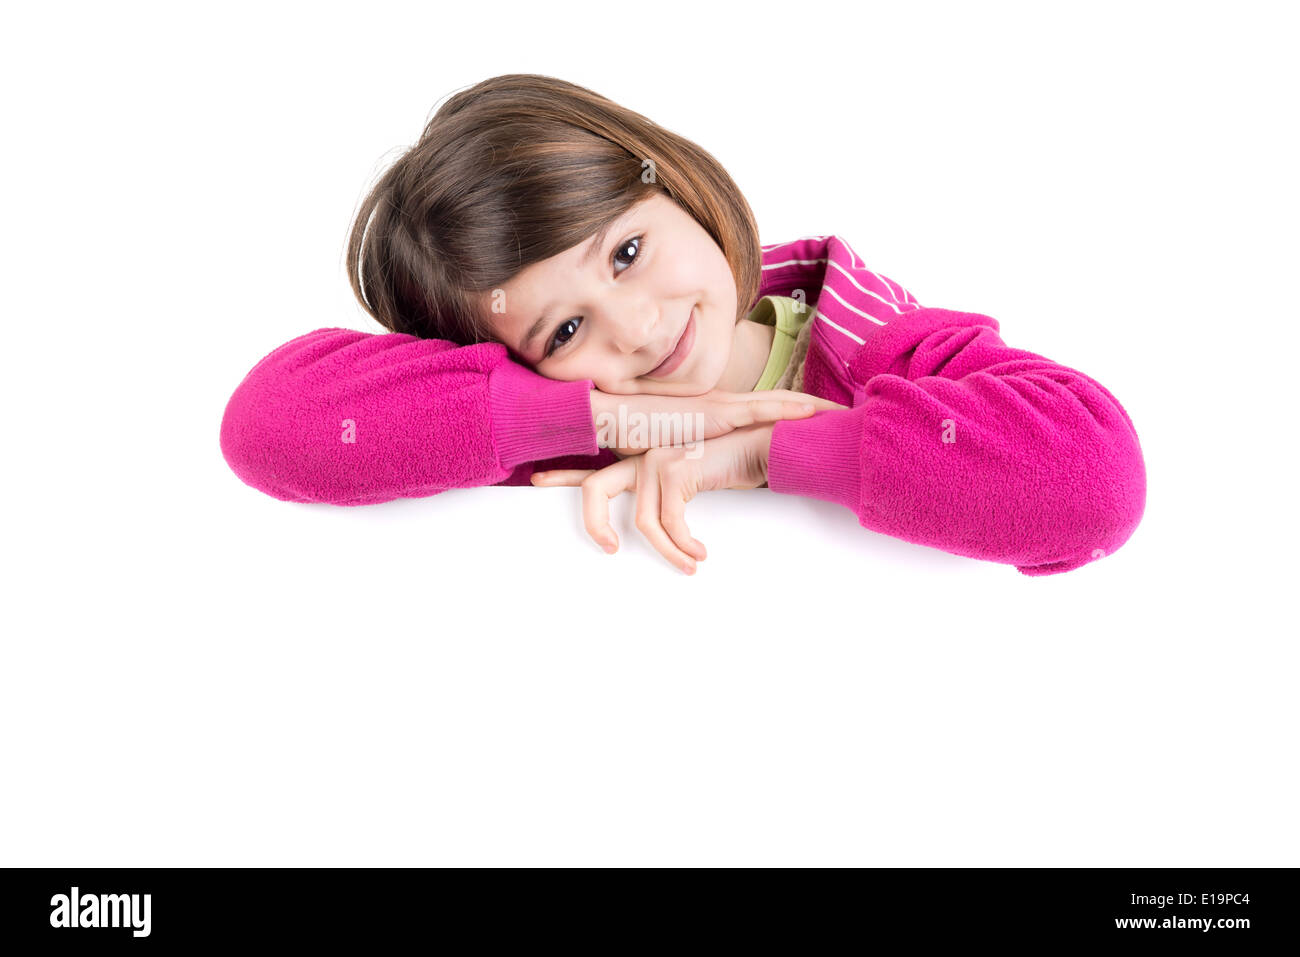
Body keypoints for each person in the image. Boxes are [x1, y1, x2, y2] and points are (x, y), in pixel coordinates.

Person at [219, 74, 1146, 577]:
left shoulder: (871, 344)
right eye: (564, 329)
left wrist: (759, 450)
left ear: (672, 181)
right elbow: (269, 427)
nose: (636, 323)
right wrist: (614, 423)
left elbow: (1096, 485)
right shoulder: (559, 428)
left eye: (624, 253)